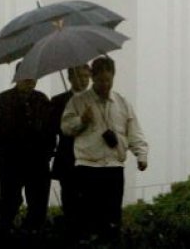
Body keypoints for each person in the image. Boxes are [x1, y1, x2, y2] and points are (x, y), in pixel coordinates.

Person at [61, 56, 148, 242]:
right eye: (100, 80)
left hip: (114, 166)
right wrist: (81, 121)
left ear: (113, 77)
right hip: (87, 166)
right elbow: (65, 127)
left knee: (112, 216)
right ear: (93, 77)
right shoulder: (78, 101)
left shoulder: (122, 102)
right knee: (88, 216)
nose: (104, 84)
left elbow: (134, 131)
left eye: (108, 80)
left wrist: (141, 155)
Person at [0, 66, 54, 231]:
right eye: (26, 75)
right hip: (10, 162)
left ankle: (34, 234)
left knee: (38, 206)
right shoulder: (1, 101)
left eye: (33, 75)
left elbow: (51, 129)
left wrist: (48, 151)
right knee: (9, 203)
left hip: (38, 162)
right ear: (17, 77)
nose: (30, 79)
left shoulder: (42, 100)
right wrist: (2, 151)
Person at [50, 63, 92, 223]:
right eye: (79, 76)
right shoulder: (58, 101)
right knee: (69, 197)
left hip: (91, 157)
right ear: (69, 78)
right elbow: (54, 128)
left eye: (86, 76)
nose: (83, 80)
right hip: (67, 157)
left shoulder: (96, 99)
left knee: (90, 199)